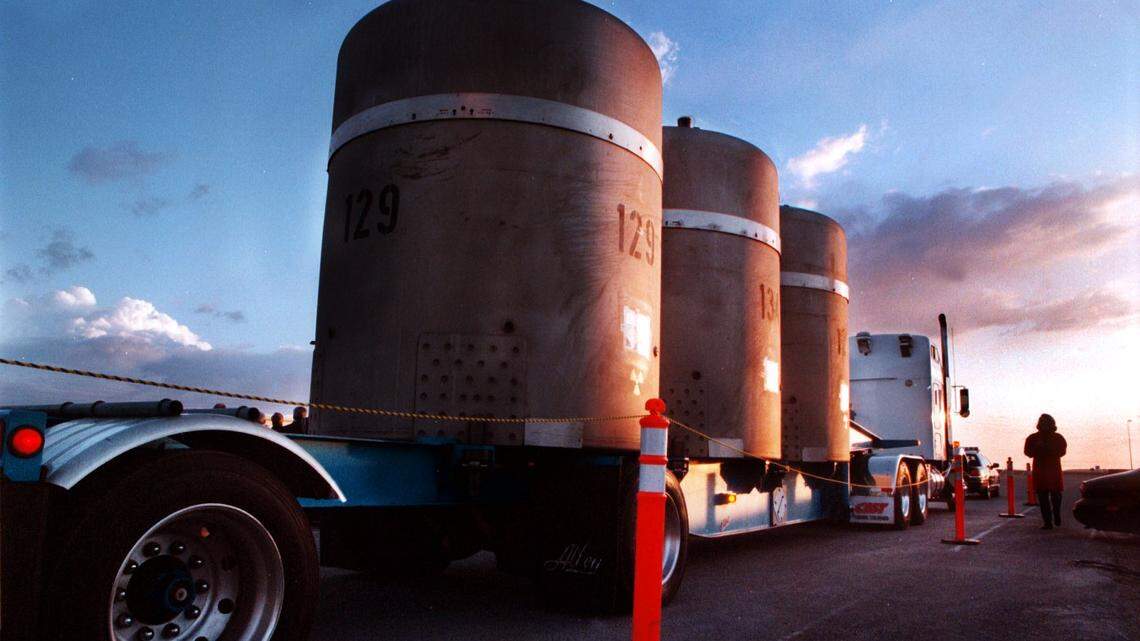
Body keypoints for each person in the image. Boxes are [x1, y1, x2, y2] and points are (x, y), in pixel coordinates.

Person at [1024, 413, 1067, 529]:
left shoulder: (1058, 437)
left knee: (1056, 495)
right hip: (1040, 470)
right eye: (1042, 423)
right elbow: (1027, 452)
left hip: (1053, 470)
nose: (1044, 425)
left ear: (1051, 424)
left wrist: (1047, 449)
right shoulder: (1033, 438)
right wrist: (1037, 448)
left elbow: (1062, 451)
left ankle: (1056, 514)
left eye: (1046, 423)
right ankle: (1047, 522)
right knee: (1043, 497)